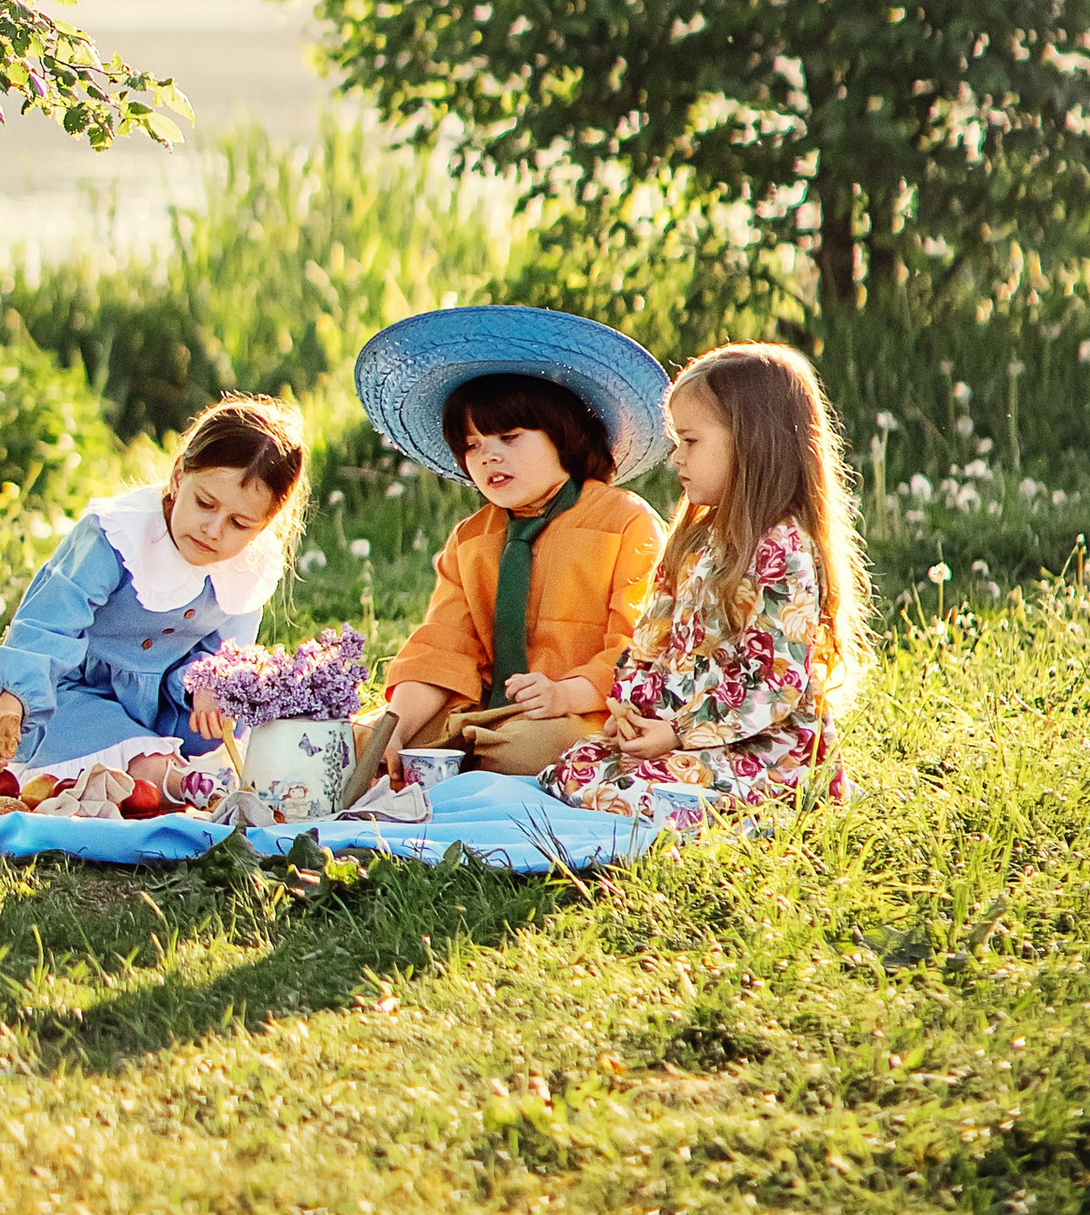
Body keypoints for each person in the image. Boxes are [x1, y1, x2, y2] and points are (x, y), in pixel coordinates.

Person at [541, 339, 870, 826]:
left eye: (691, 442)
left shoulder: (782, 549)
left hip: (763, 749)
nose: (676, 460)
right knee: (574, 769)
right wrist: (632, 711)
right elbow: (648, 646)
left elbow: (774, 684)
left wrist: (677, 731)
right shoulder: (694, 541)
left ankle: (743, 805)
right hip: (678, 737)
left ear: (753, 440)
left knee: (627, 791)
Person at [353, 304, 671, 778]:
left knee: (528, 748)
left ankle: (469, 767)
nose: (489, 457)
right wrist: (394, 729)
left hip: (579, 708)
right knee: (362, 740)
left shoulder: (624, 521)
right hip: (482, 710)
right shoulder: (471, 538)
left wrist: (566, 693)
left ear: (563, 435)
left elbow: (638, 645)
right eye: (472, 445)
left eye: (508, 436)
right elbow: (445, 645)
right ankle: (446, 759)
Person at [0, 394, 306, 776]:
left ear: (264, 524)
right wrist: (12, 709)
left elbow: (223, 652)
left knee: (247, 745)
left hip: (165, 705)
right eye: (205, 503)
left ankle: (187, 779)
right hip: (77, 698)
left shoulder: (246, 566)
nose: (213, 531)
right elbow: (46, 629)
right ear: (179, 476)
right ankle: (173, 782)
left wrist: (207, 684)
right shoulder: (118, 536)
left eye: (239, 524)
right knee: (145, 762)